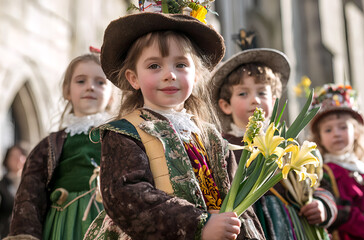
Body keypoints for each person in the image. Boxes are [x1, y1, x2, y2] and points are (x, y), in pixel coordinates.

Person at [83, 7, 265, 240]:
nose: (169, 74)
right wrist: (199, 224)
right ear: (133, 78)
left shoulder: (212, 138)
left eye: (180, 65)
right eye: (154, 66)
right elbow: (126, 194)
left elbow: (238, 199)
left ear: (196, 74)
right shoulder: (125, 132)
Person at [210, 48, 337, 240]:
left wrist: (322, 205)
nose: (255, 100)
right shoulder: (221, 145)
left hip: (295, 228)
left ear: (275, 99)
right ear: (225, 105)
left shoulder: (289, 143)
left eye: (262, 92)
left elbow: (317, 183)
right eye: (243, 93)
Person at [6, 52, 113, 240]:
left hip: (107, 220)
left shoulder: (120, 137)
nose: (90, 87)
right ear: (67, 91)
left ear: (112, 95)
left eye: (100, 82)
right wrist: (25, 232)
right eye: (81, 81)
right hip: (63, 220)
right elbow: (30, 193)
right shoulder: (50, 144)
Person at [309, 84, 364, 239]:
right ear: (319, 138)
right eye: (328, 130)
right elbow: (340, 213)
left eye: (343, 127)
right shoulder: (323, 172)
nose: (336, 134)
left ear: (356, 131)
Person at [0, 145, 27, 238]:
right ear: (7, 160)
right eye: (13, 156)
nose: (18, 159)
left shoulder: (31, 184)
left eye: (20, 155)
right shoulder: (2, 185)